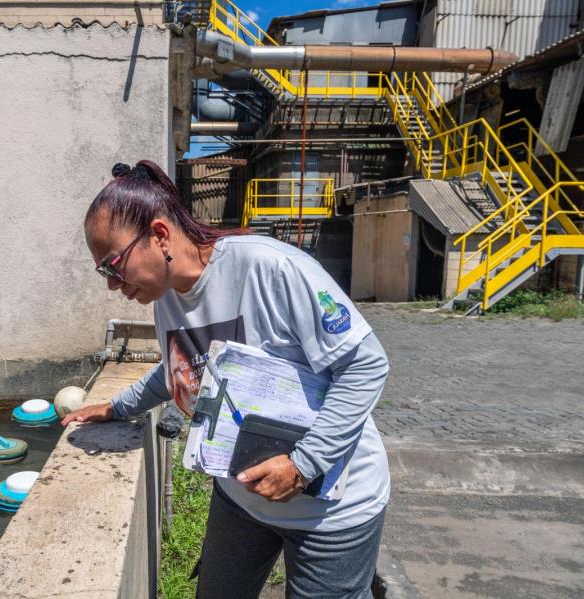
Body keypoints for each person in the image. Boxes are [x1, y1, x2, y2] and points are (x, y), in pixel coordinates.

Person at [61, 160, 391, 599]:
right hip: (241, 498)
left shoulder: (270, 267)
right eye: (104, 272)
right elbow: (184, 369)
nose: (111, 285)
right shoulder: (167, 298)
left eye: (113, 265)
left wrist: (304, 464)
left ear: (159, 235)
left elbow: (366, 365)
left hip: (330, 510)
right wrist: (117, 407)